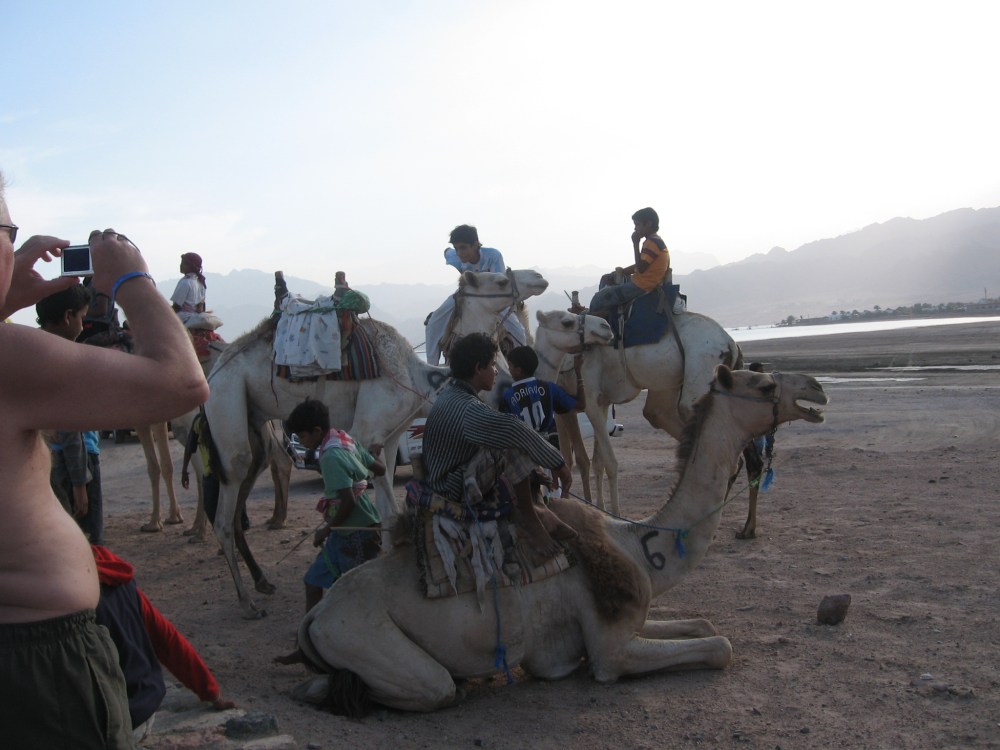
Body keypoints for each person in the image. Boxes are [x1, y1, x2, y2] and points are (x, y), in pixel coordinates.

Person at [0, 170, 210, 749]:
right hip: (39, 665)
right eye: (7, 231)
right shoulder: (9, 359)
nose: (13, 245)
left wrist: (7, 295)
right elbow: (181, 385)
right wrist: (131, 280)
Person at [422, 333, 576, 565]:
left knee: (510, 440)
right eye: (492, 365)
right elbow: (512, 428)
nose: (496, 371)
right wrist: (559, 464)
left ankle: (539, 509)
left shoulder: (453, 395)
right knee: (511, 442)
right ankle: (531, 517)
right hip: (452, 486)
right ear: (477, 368)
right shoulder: (467, 407)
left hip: (448, 474)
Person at [92, 544, 236, 741]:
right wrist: (210, 691)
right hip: (145, 705)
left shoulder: (61, 594)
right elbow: (165, 637)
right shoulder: (114, 571)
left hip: (115, 723)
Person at [285, 399, 385, 613]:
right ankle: (309, 640)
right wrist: (371, 453)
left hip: (357, 532)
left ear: (317, 431)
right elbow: (381, 469)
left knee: (357, 596)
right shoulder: (345, 439)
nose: (302, 443)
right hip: (350, 528)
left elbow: (348, 501)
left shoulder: (330, 456)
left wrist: (325, 530)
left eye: (302, 437)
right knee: (312, 581)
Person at [37, 285, 106, 544]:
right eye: (81, 317)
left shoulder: (33, 351)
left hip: (48, 459)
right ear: (68, 316)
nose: (83, 323)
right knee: (90, 540)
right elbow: (70, 428)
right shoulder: (65, 359)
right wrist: (80, 483)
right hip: (80, 460)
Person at [424, 224, 527, 364]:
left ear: (476, 245)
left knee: (516, 329)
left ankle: (522, 362)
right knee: (434, 321)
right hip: (466, 295)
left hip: (492, 296)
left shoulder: (493, 256)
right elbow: (446, 252)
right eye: (457, 248)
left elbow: (500, 284)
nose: (460, 253)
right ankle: (432, 366)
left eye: (463, 247)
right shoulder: (455, 257)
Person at [180, 407, 250, 535]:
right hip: (211, 474)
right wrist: (184, 470)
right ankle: (226, 538)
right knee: (211, 507)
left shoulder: (225, 418)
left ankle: (238, 538)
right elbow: (190, 447)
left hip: (227, 472)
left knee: (234, 507)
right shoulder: (199, 422)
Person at [588, 207, 671, 316]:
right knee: (606, 278)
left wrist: (635, 244)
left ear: (648, 224)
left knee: (598, 298)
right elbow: (642, 264)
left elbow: (641, 268)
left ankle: (599, 318)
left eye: (637, 224)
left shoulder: (652, 243)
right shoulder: (655, 241)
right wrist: (623, 271)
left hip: (642, 285)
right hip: (644, 281)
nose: (635, 228)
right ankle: (607, 312)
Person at [501, 344, 584, 435]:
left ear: (518, 370)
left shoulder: (507, 395)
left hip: (522, 446)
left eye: (510, 365)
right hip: (549, 446)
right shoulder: (549, 387)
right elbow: (581, 405)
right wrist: (578, 372)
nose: (508, 369)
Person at [170, 251, 206, 325]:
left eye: (184, 263)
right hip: (195, 317)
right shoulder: (200, 282)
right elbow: (201, 308)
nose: (181, 265)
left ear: (191, 266)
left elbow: (176, 307)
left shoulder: (185, 282)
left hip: (183, 318)